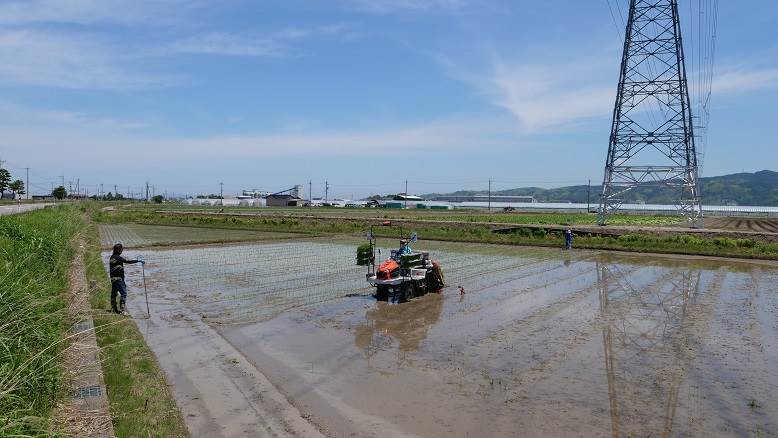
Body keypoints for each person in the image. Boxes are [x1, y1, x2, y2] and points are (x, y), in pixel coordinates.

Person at [109, 243, 144, 314]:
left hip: (113, 279)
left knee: (114, 294)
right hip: (119, 279)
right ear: (118, 249)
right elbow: (127, 261)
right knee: (124, 293)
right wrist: (137, 260)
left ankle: (114, 308)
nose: (122, 251)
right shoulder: (118, 258)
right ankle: (122, 310)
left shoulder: (112, 257)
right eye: (121, 249)